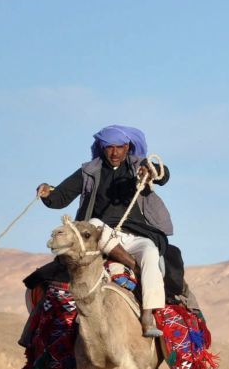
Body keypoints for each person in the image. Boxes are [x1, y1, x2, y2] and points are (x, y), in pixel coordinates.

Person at [36, 125, 174, 338]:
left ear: (127, 147)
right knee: (94, 223)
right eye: (110, 147)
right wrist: (46, 192)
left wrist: (148, 172)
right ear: (102, 148)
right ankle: (131, 264)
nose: (115, 152)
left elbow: (162, 175)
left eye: (120, 147)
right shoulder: (89, 171)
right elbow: (60, 197)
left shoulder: (139, 165)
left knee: (151, 252)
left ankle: (147, 315)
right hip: (101, 235)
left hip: (136, 234)